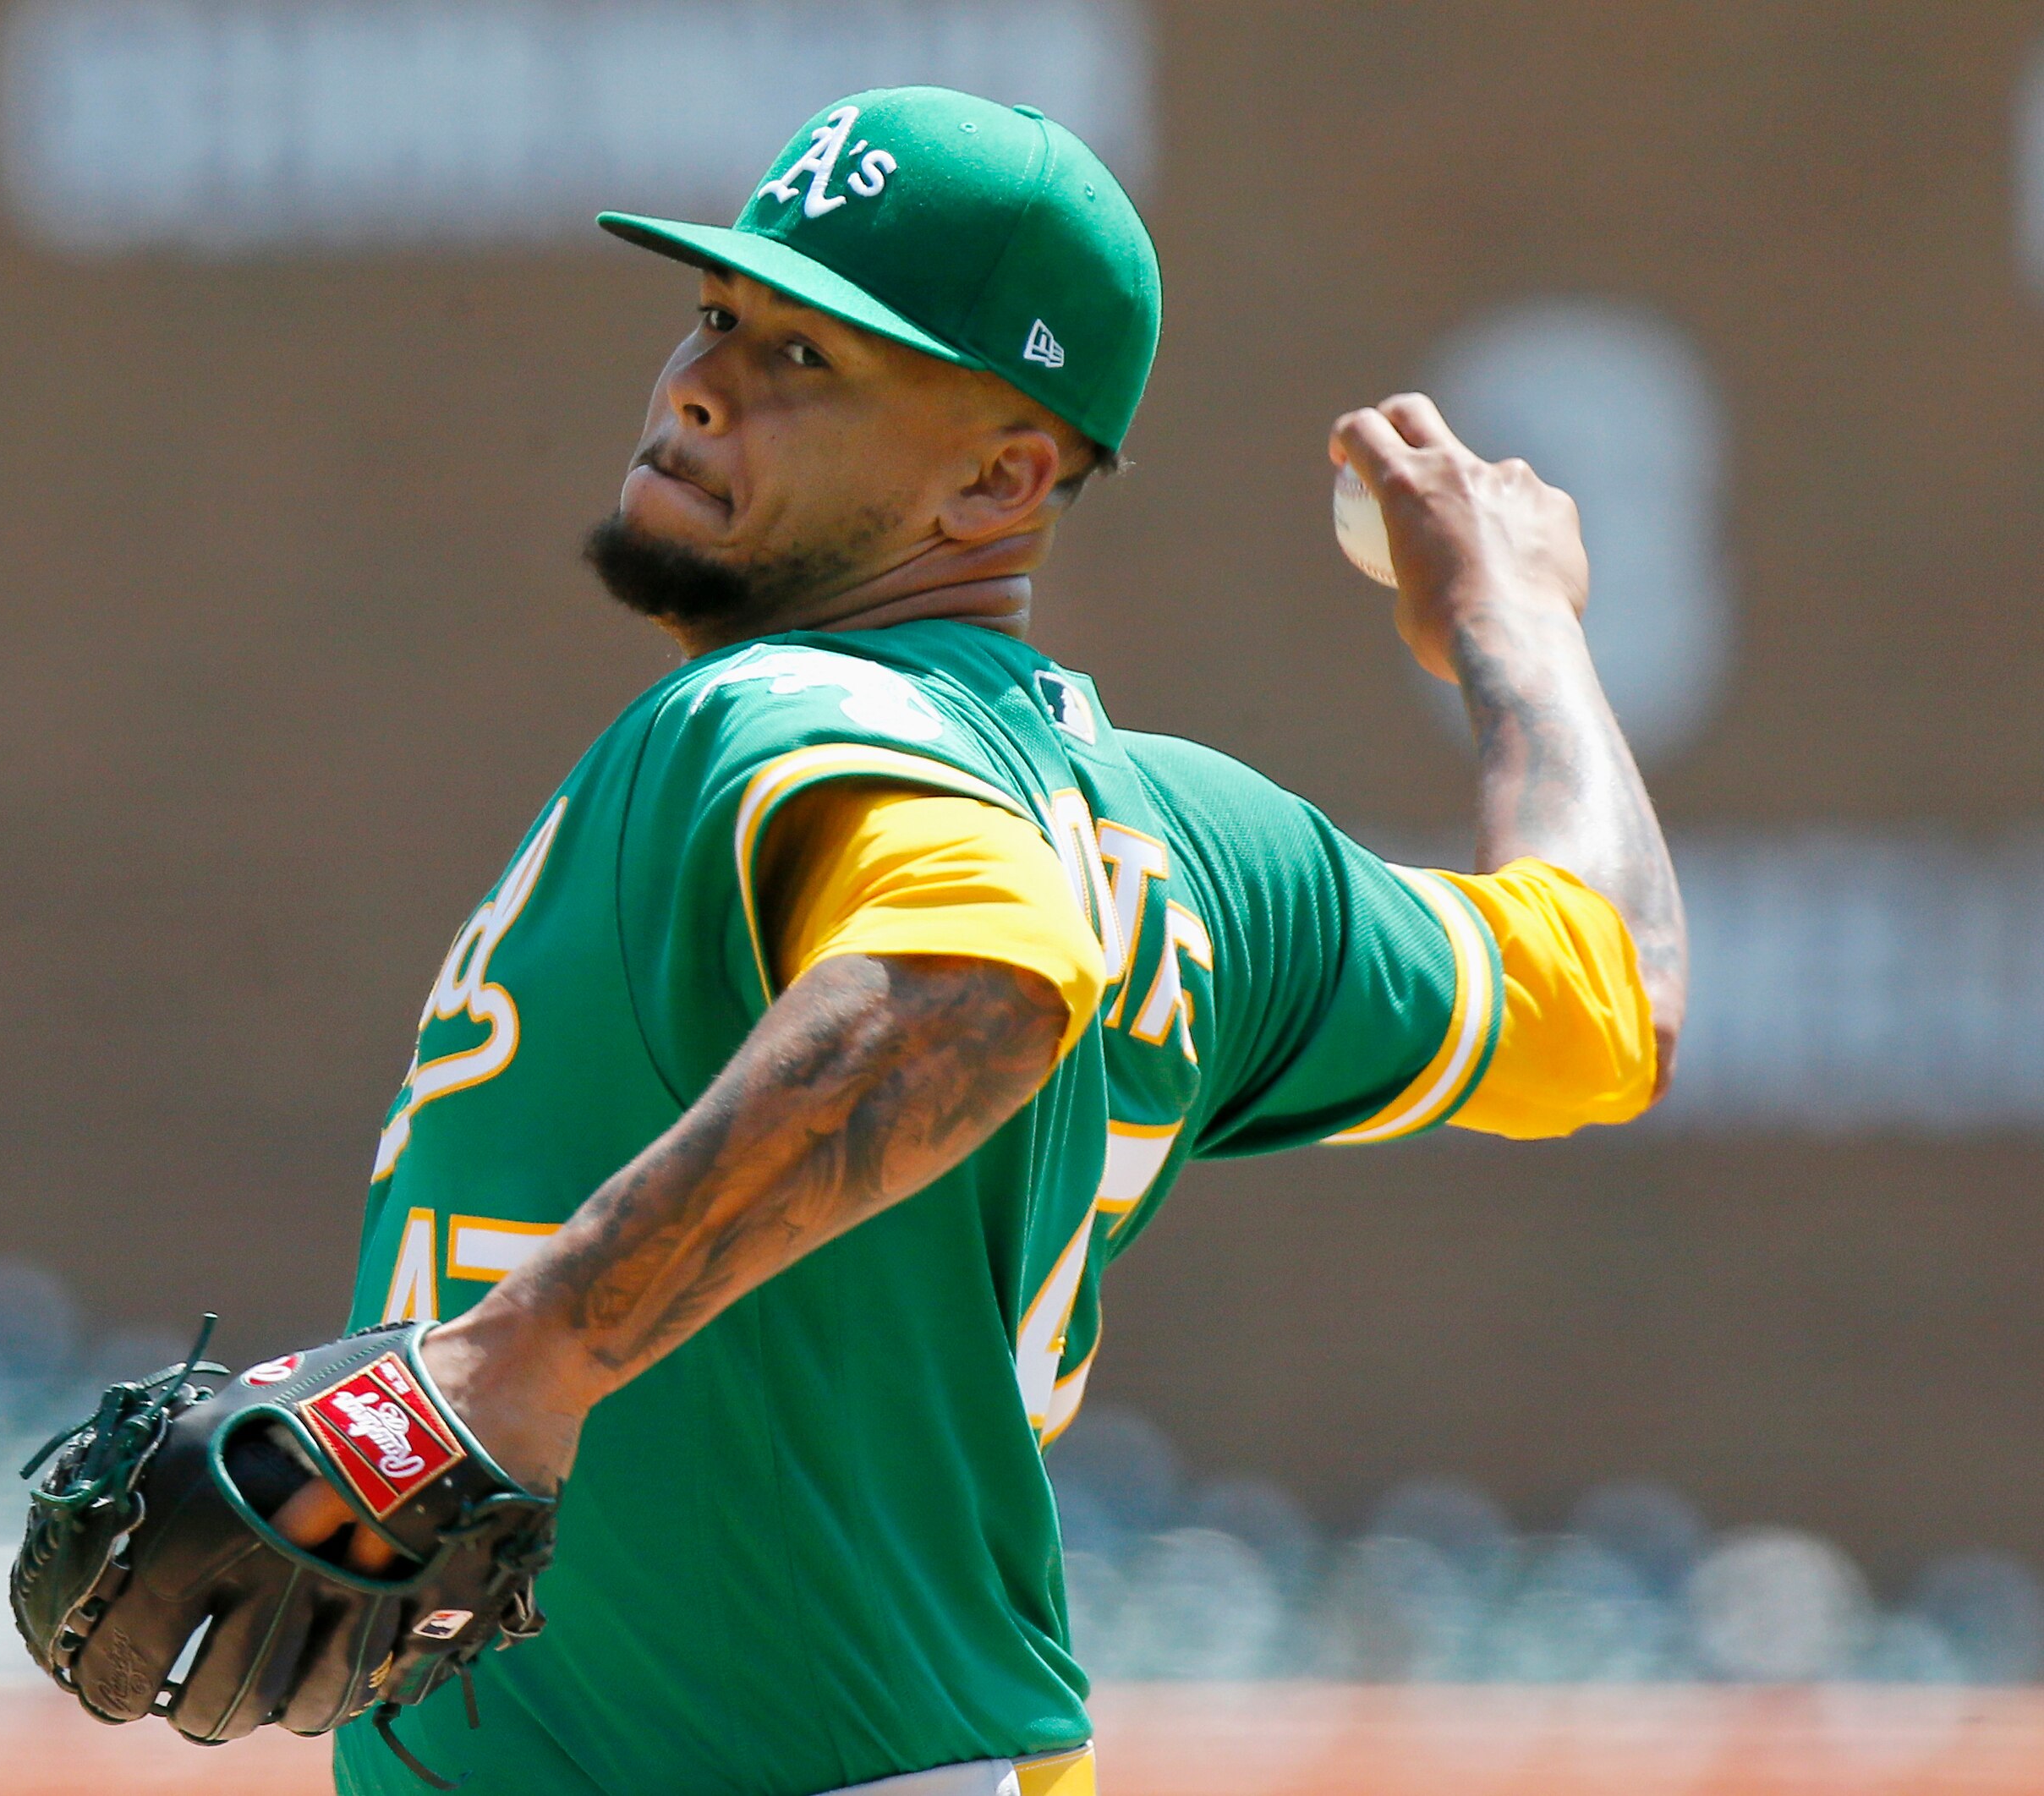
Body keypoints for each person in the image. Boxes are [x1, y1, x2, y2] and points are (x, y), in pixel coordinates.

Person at [288, 85, 1685, 1796]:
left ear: (1001, 478)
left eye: (809, 356)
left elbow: (973, 980)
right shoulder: (1205, 851)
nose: (702, 383)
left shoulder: (786, 711)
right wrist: (1516, 625)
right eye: (719, 314)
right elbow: (1609, 994)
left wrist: (512, 1362)